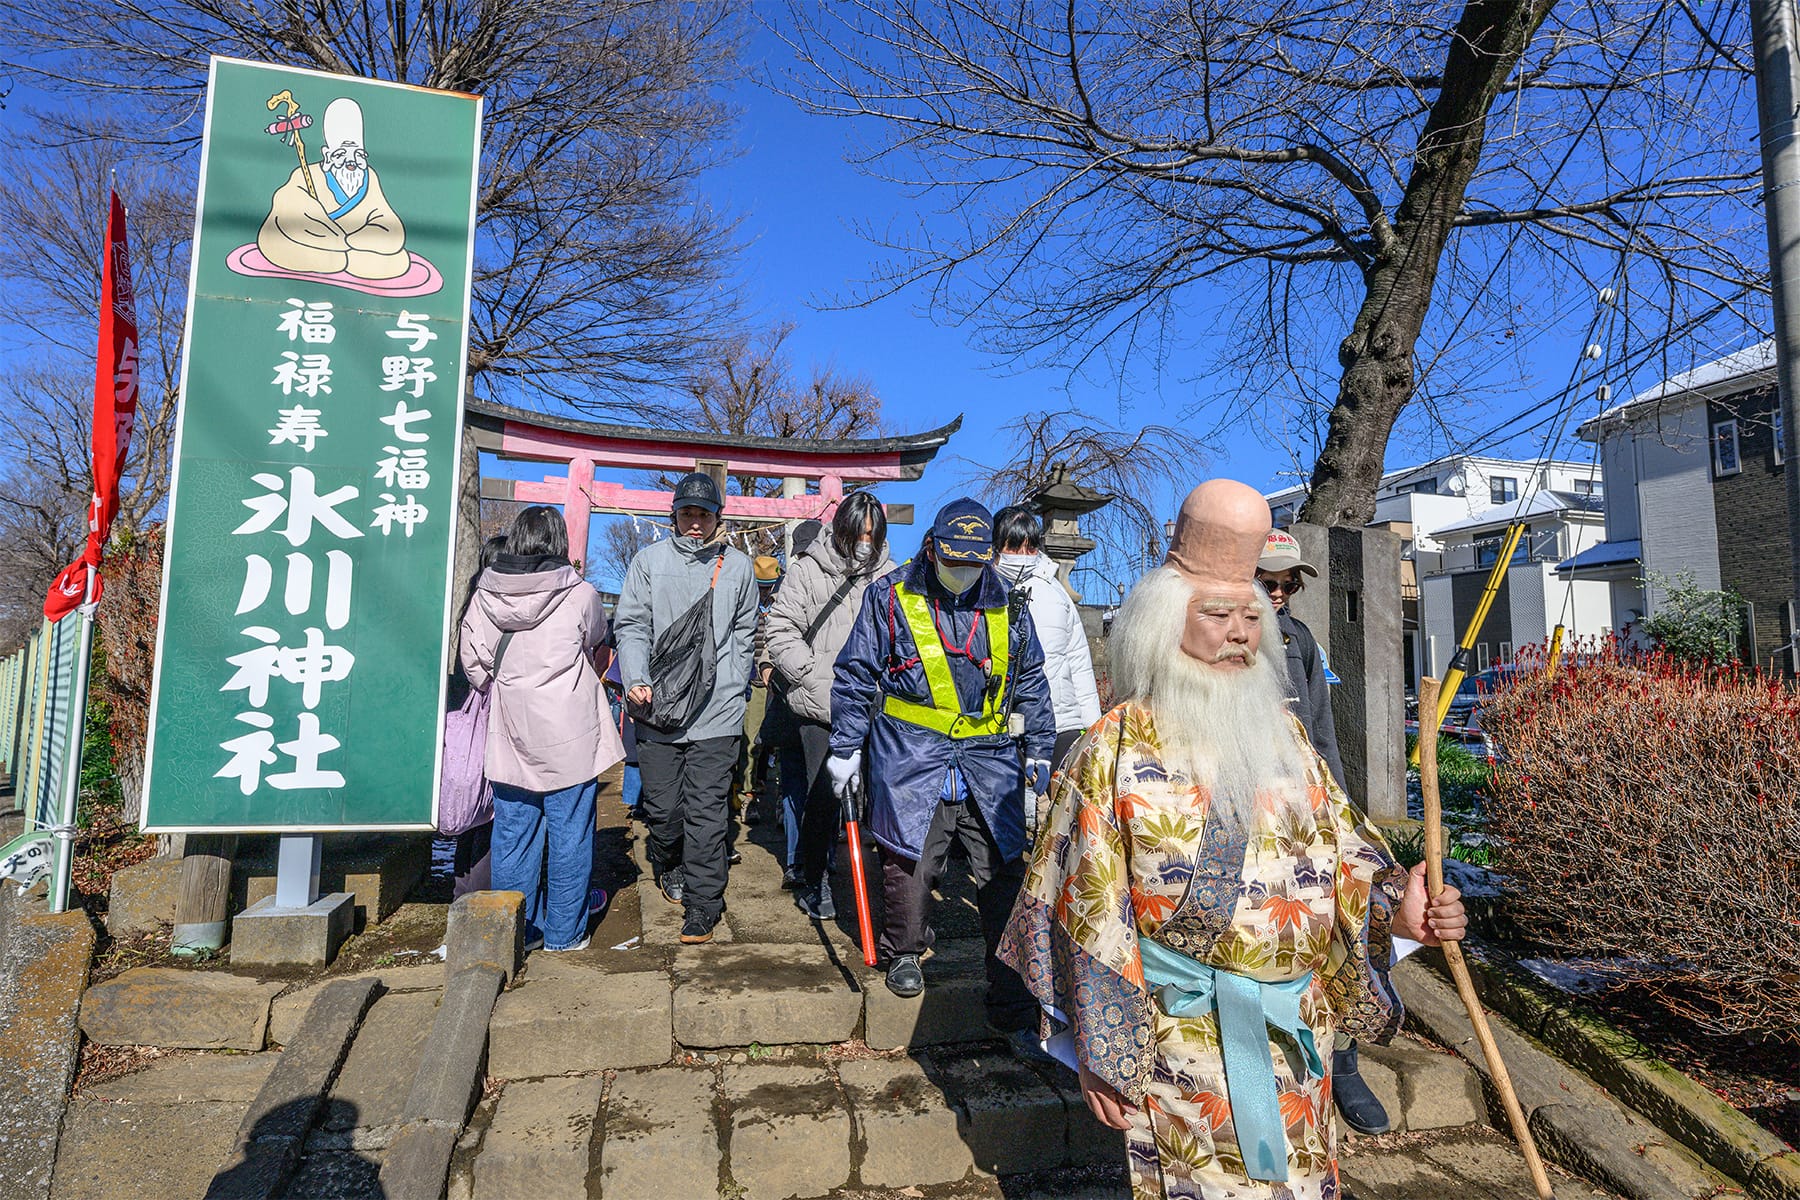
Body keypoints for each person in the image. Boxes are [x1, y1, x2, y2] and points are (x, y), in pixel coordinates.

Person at [998, 480, 1466, 1199]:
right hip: (1181, 1046)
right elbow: (1081, 906)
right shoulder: (1109, 751)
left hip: (1297, 1037)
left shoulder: (1288, 741)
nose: (1241, 632)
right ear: (1164, 623)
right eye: (1216, 613)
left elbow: (1346, 856)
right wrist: (1101, 1049)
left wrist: (1398, 908)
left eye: (1251, 614)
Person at [828, 498, 1055, 1060]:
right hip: (911, 753)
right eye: (955, 562)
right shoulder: (890, 596)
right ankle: (904, 951)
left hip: (990, 756)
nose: (964, 574)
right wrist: (845, 748)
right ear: (931, 549)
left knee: (1004, 874)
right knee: (908, 859)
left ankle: (1012, 1003)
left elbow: (1031, 681)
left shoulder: (1010, 604)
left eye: (975, 564)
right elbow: (857, 672)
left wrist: (1040, 750)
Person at [1256, 529, 1387, 1137]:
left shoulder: (1299, 640)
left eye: (1288, 585)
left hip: (1308, 805)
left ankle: (1346, 1057)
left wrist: (1342, 809)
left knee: (1354, 916)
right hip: (1247, 815)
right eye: (1268, 581)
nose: (1279, 594)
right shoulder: (1217, 636)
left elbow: (1323, 728)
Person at [460, 507, 621, 953]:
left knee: (513, 835)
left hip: (512, 731)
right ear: (557, 542)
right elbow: (595, 637)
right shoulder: (580, 593)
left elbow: (474, 665)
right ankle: (564, 934)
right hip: (571, 732)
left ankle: (515, 933)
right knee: (571, 834)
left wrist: (510, 685)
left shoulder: (485, 594)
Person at [613, 472, 759, 945]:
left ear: (718, 518)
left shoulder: (738, 567)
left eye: (704, 514)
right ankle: (667, 859)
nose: (695, 523)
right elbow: (631, 624)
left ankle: (703, 905)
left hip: (717, 712)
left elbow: (744, 633)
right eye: (687, 513)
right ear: (674, 516)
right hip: (659, 708)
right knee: (665, 810)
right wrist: (636, 677)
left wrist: (733, 685)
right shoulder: (648, 561)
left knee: (708, 814)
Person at [764, 494, 896, 913]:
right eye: (856, 533)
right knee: (821, 798)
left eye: (871, 535)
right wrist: (811, 674)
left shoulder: (892, 577)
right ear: (839, 530)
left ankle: (890, 893)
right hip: (821, 704)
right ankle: (811, 877)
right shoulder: (806, 571)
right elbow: (780, 628)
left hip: (876, 706)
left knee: (883, 798)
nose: (863, 541)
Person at [992, 505, 1102, 773]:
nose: (1022, 556)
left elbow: (1078, 660)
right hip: (998, 725)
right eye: (1013, 547)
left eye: (1030, 549)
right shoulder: (983, 589)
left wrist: (1092, 724)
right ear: (995, 546)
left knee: (1056, 807)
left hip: (1060, 720)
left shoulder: (1056, 592)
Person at [257, 97, 411, 279]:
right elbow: (288, 208)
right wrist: (332, 235)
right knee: (283, 241)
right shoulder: (306, 175)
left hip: (357, 249)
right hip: (311, 245)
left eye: (358, 153)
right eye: (342, 153)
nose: (352, 161)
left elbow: (386, 220)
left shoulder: (369, 178)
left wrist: (356, 239)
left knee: (393, 259)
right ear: (327, 154)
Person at [446, 534, 508, 898]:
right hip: (489, 712)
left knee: (474, 811)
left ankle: (463, 890)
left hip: (467, 715)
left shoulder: (471, 600)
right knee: (491, 810)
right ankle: (479, 896)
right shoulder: (494, 604)